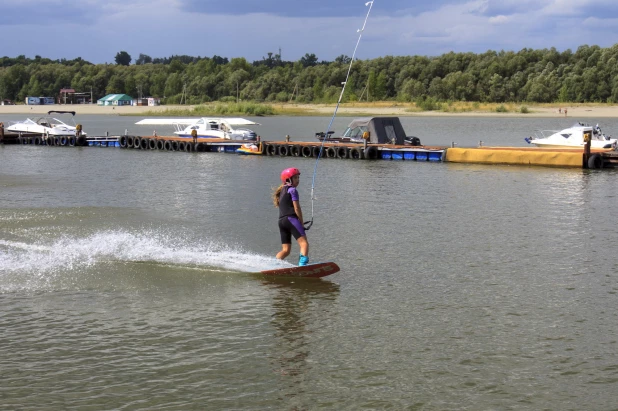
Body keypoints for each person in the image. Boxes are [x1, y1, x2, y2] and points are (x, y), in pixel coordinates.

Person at [273, 168, 309, 266]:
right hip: (290, 219)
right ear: (288, 180)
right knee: (304, 243)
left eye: (298, 177)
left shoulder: (282, 191)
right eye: (295, 178)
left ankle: (274, 265)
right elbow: (297, 208)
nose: (298, 180)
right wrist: (301, 222)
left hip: (281, 221)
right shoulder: (293, 190)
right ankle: (302, 266)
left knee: (286, 250)